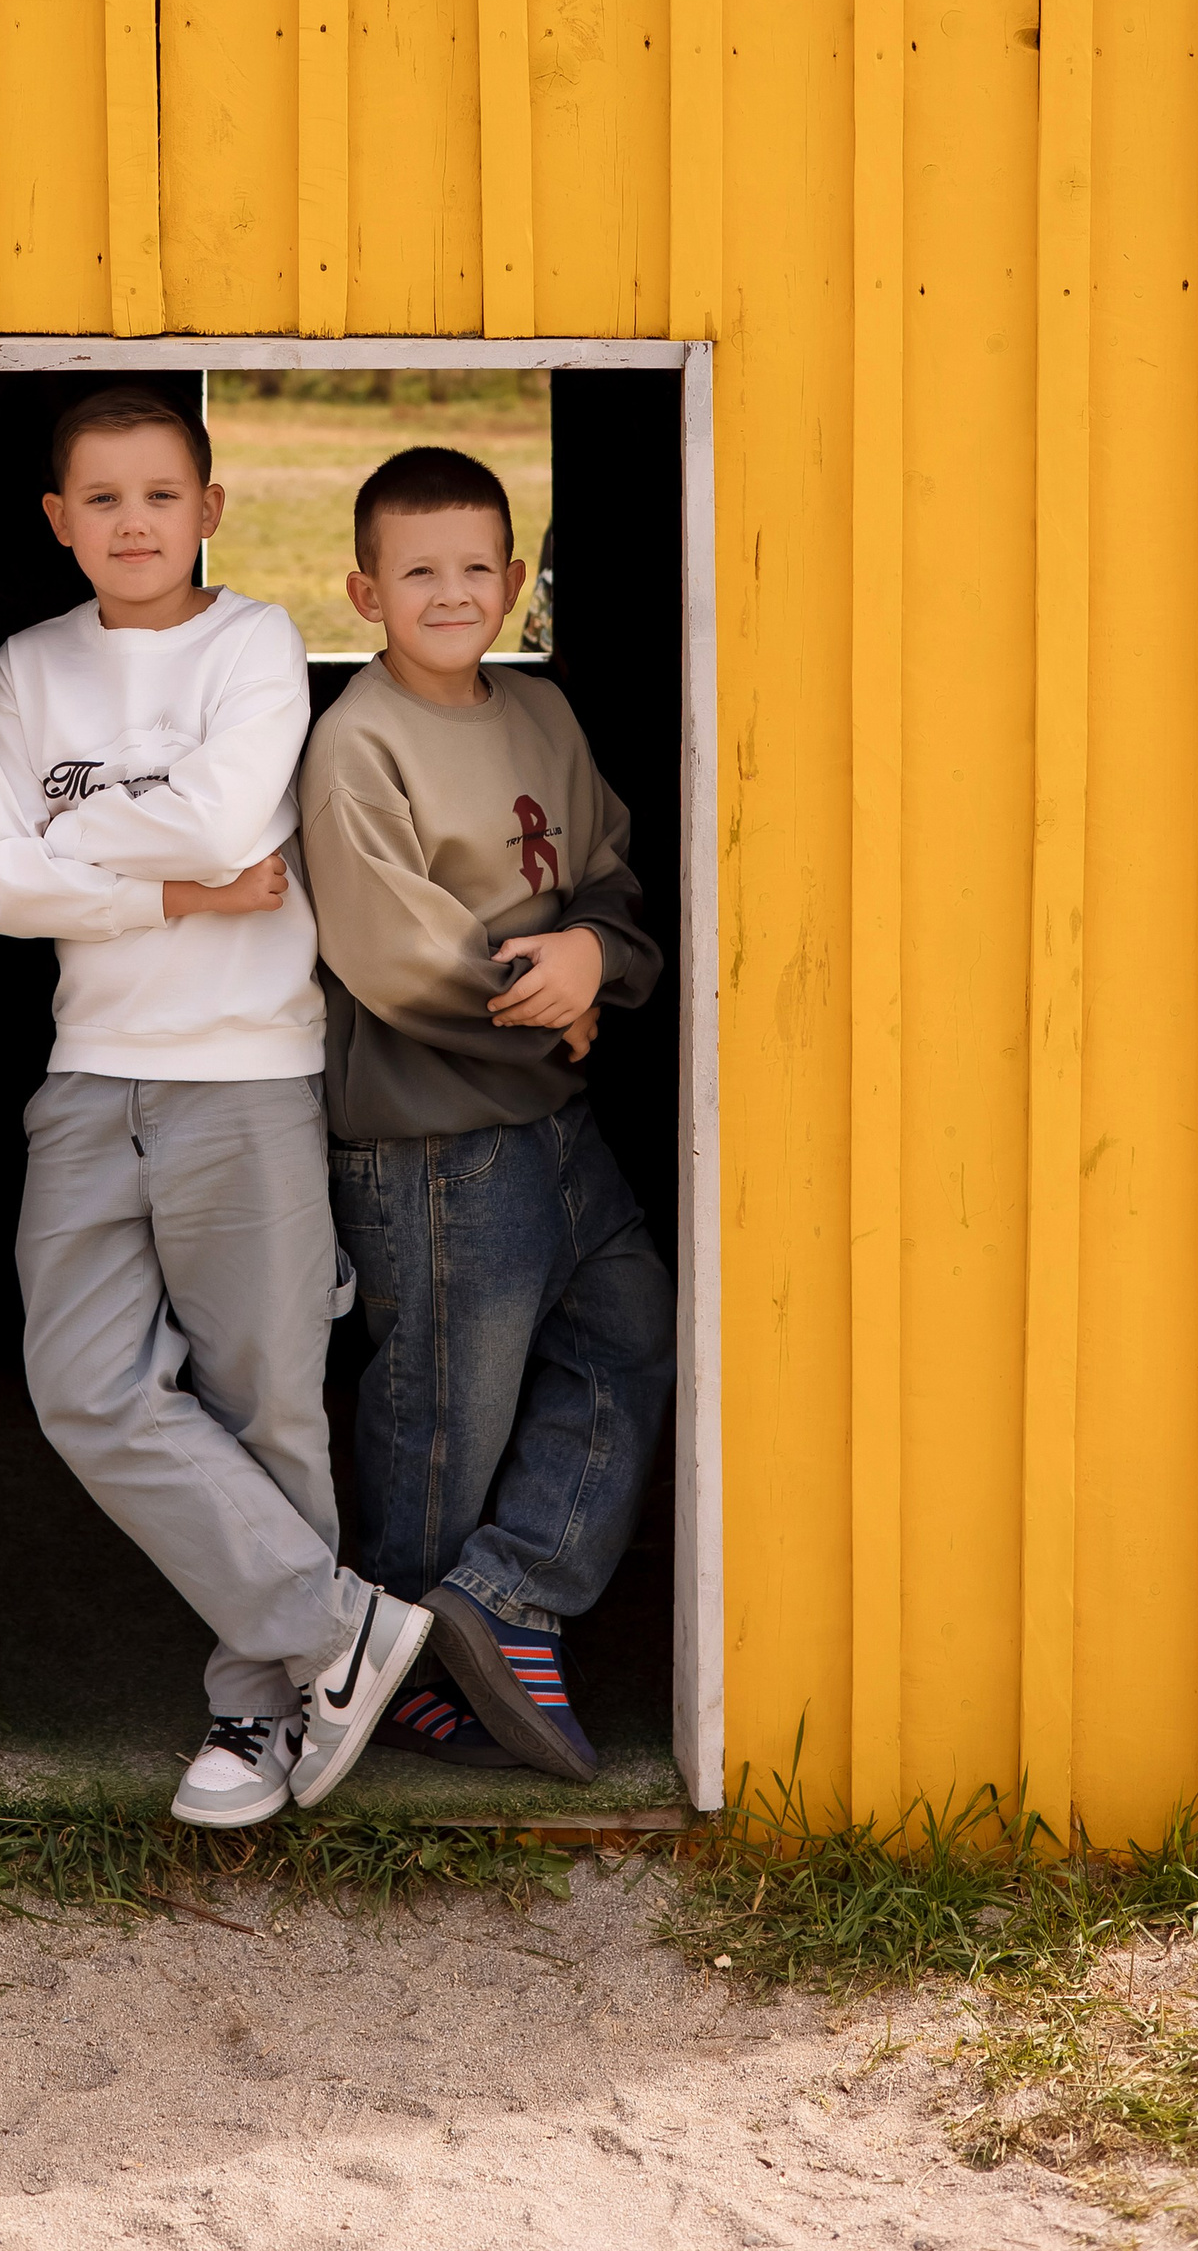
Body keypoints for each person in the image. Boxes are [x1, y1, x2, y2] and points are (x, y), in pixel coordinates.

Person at [0, 386, 432, 1829]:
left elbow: (222, 821)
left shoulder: (254, 644)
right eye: (102, 499)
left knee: (265, 1399)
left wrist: (78, 843)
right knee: (82, 1387)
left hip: (244, 1073)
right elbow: (3, 888)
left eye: (162, 495)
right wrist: (178, 892)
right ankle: (336, 1626)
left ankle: (259, 1710)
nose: (134, 523)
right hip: (89, 1072)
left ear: (211, 509)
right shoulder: (31, 663)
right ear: (57, 520)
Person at [298, 445, 676, 1785]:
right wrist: (549, 1007)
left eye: (474, 568)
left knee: (632, 1336)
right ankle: (403, 1670)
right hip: (435, 1146)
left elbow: (609, 869)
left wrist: (595, 957)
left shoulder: (543, 715)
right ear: (365, 591)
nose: (450, 594)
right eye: (418, 572)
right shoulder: (356, 745)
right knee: (440, 1419)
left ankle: (509, 1594)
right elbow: (393, 952)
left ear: (516, 581)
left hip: (555, 1125)